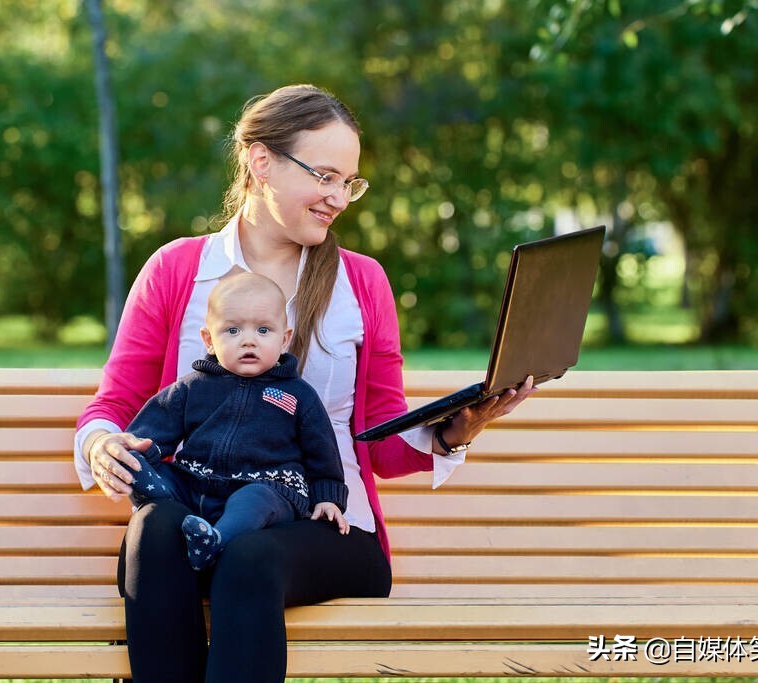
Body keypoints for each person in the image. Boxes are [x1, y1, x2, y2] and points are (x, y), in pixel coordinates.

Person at [74, 83, 536, 682]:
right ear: (260, 161)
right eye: (325, 176)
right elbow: (113, 404)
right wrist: (101, 444)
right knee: (154, 529)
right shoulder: (177, 271)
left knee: (248, 556)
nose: (338, 198)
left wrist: (454, 433)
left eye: (349, 182)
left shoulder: (361, 283)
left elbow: (381, 442)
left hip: (326, 529)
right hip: (201, 512)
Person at [121, 271, 349, 571]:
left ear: (285, 339)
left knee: (253, 500)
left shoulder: (297, 396)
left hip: (269, 490)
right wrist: (136, 452)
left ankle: (215, 540)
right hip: (198, 483)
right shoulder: (192, 388)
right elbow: (152, 430)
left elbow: (323, 455)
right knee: (162, 472)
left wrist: (328, 498)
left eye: (264, 330)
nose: (249, 341)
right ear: (209, 340)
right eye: (232, 331)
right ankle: (155, 491)